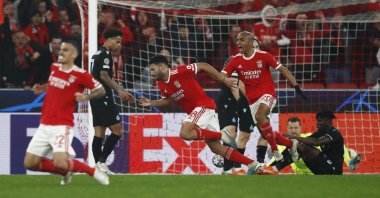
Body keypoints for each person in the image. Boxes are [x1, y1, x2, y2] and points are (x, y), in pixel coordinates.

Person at [139, 55, 275, 175]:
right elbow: (168, 99)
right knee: (217, 148)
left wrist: (222, 79)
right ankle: (253, 165)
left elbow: (203, 65)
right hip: (200, 112)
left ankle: (222, 135)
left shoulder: (178, 71)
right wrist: (151, 103)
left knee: (185, 133)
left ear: (162, 66)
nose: (151, 72)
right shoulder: (161, 84)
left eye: (152, 69)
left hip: (203, 106)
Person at [23, 40, 109, 185]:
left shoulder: (80, 74)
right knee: (30, 163)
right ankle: (66, 172)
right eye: (61, 50)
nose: (61, 52)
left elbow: (101, 90)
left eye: (65, 50)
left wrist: (86, 97)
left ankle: (93, 171)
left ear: (74, 54)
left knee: (61, 163)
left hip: (62, 125)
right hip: (44, 124)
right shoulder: (54, 67)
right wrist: (43, 88)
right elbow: (54, 85)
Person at [221, 31, 306, 162]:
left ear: (250, 42)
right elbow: (221, 75)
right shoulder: (235, 60)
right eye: (237, 40)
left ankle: (275, 150)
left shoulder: (264, 56)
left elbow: (282, 69)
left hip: (268, 94)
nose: (237, 43)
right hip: (252, 101)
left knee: (259, 117)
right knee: (266, 132)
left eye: (241, 40)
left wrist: (295, 86)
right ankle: (291, 144)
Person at [90, 28, 135, 174]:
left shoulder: (96, 53)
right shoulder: (106, 55)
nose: (119, 45)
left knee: (99, 133)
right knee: (117, 131)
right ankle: (101, 163)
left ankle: (99, 168)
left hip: (95, 96)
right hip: (103, 96)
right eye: (117, 42)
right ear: (108, 40)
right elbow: (104, 75)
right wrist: (119, 90)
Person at [269, 116, 361, 174]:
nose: (293, 131)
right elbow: (276, 159)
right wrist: (265, 168)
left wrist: (348, 151)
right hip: (302, 176)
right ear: (287, 129)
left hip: (318, 169)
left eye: (296, 128)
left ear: (300, 128)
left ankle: (349, 163)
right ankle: (269, 170)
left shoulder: (308, 137)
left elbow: (333, 147)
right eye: (291, 128)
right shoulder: (282, 146)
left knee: (298, 144)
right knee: (292, 147)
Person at [284, 111, 344, 175]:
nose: (317, 123)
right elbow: (306, 140)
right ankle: (276, 167)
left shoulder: (334, 133)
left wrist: (294, 137)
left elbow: (317, 142)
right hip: (324, 167)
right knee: (300, 144)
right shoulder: (320, 132)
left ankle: (277, 167)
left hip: (334, 170)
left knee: (304, 147)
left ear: (327, 121)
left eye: (319, 121)